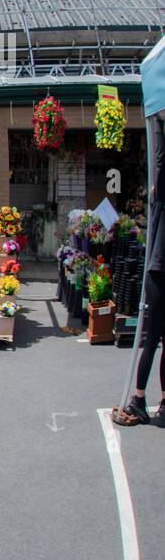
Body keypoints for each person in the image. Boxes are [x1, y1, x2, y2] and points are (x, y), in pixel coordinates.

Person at [116, 114, 165, 427]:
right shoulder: (160, 197)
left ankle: (155, 400)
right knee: (153, 339)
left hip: (160, 270)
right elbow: (161, 158)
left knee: (159, 340)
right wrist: (160, 125)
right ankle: (138, 398)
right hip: (158, 271)